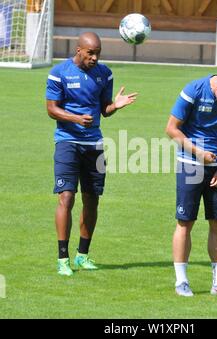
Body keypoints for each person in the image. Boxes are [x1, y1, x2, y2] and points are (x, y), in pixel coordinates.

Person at [46, 32, 137, 276]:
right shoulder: (59, 73)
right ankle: (62, 259)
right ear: (79, 50)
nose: (95, 58)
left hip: (94, 145)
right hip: (67, 142)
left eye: (98, 53)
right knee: (66, 197)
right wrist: (75, 118)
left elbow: (104, 109)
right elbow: (52, 110)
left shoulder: (104, 74)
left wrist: (115, 106)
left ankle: (82, 256)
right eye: (90, 53)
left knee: (92, 199)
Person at [166, 74, 217, 297]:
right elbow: (171, 128)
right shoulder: (194, 90)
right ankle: (181, 282)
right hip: (190, 164)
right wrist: (199, 153)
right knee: (185, 222)